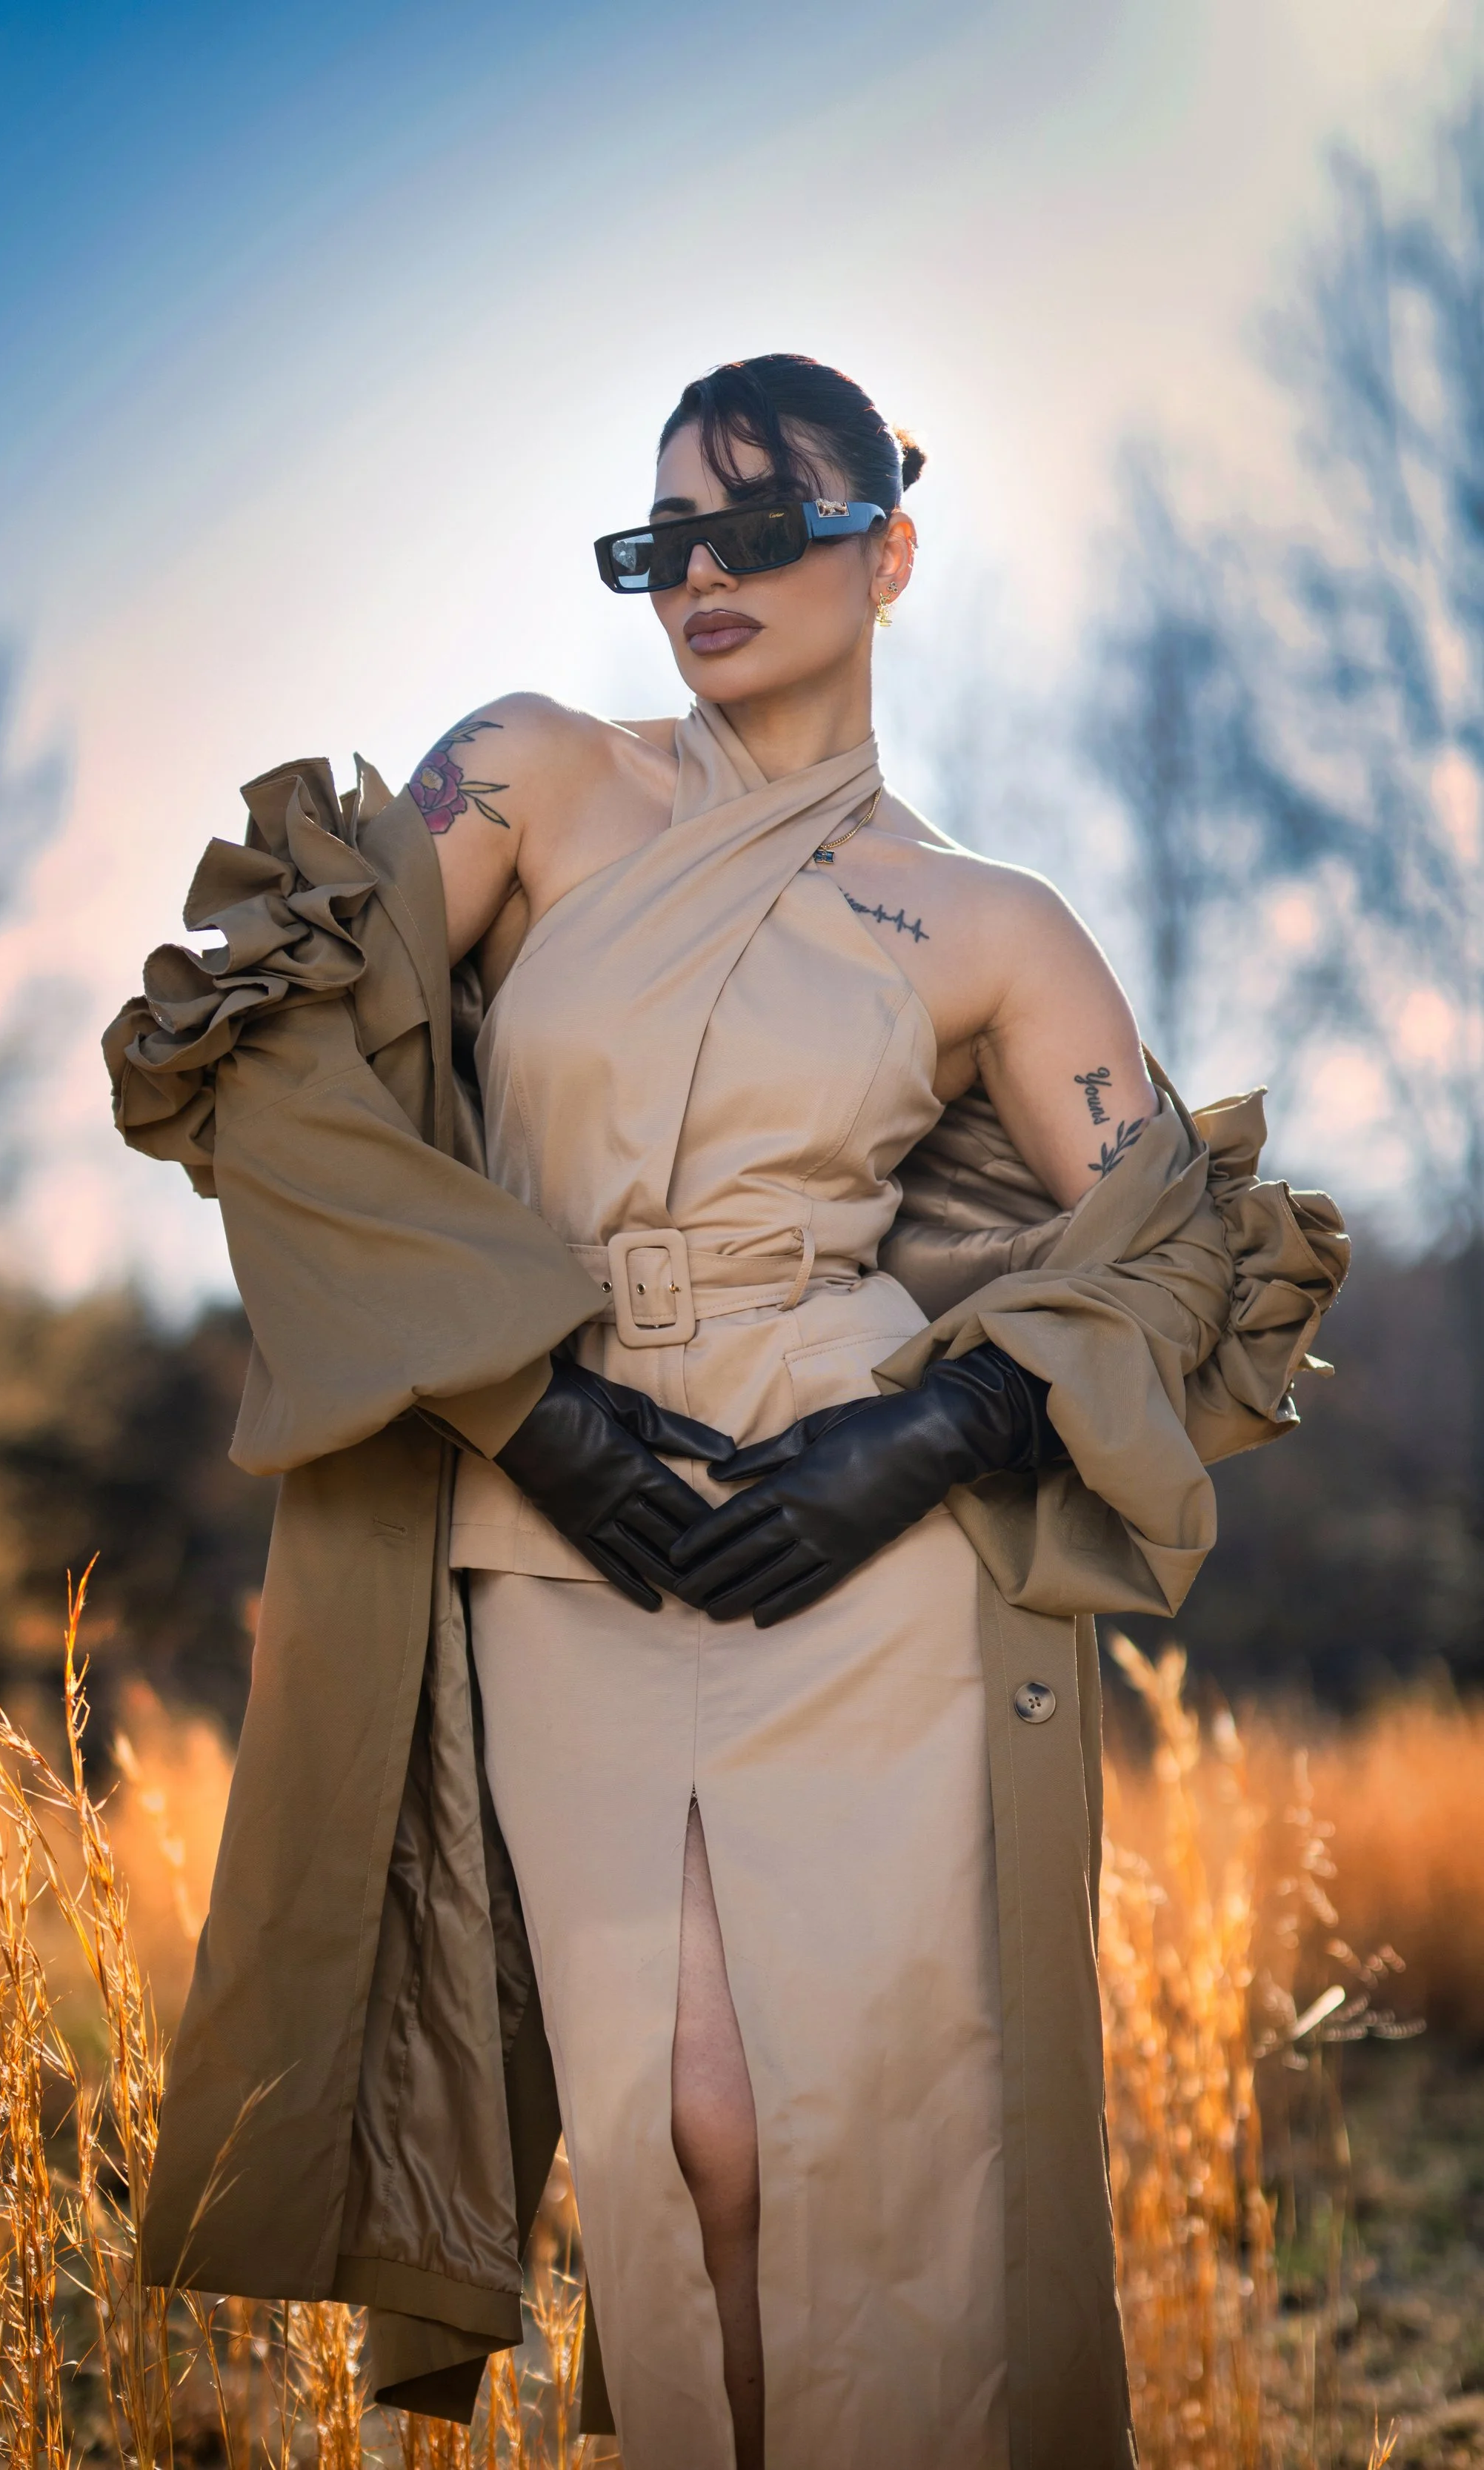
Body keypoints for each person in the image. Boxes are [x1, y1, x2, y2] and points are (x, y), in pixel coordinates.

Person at [107, 353, 1348, 2470]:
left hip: (849, 1540)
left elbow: (1184, 1254)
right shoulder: (529, 777)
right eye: (661, 536)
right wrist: (526, 1410)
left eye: (760, 521)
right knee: (677, 2125)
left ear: (888, 546)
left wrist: (935, 1436)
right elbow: (270, 1044)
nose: (704, 569)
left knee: (855, 2134)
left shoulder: (983, 918)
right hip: (556, 1517)